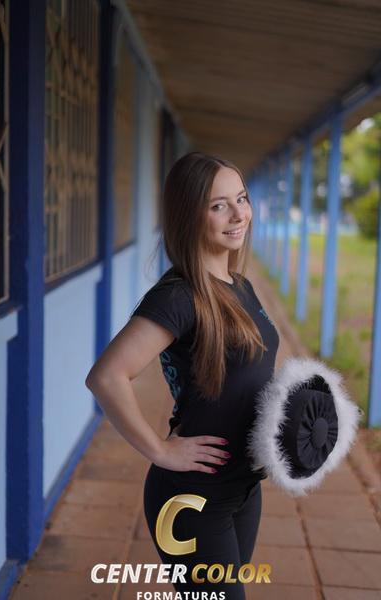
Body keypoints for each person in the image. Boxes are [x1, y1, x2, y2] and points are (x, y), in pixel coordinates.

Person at [85, 151, 280, 599]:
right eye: (219, 206)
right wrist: (160, 451)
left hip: (243, 488)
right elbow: (106, 377)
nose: (238, 215)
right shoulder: (179, 297)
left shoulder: (239, 285)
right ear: (189, 215)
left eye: (242, 199)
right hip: (192, 498)